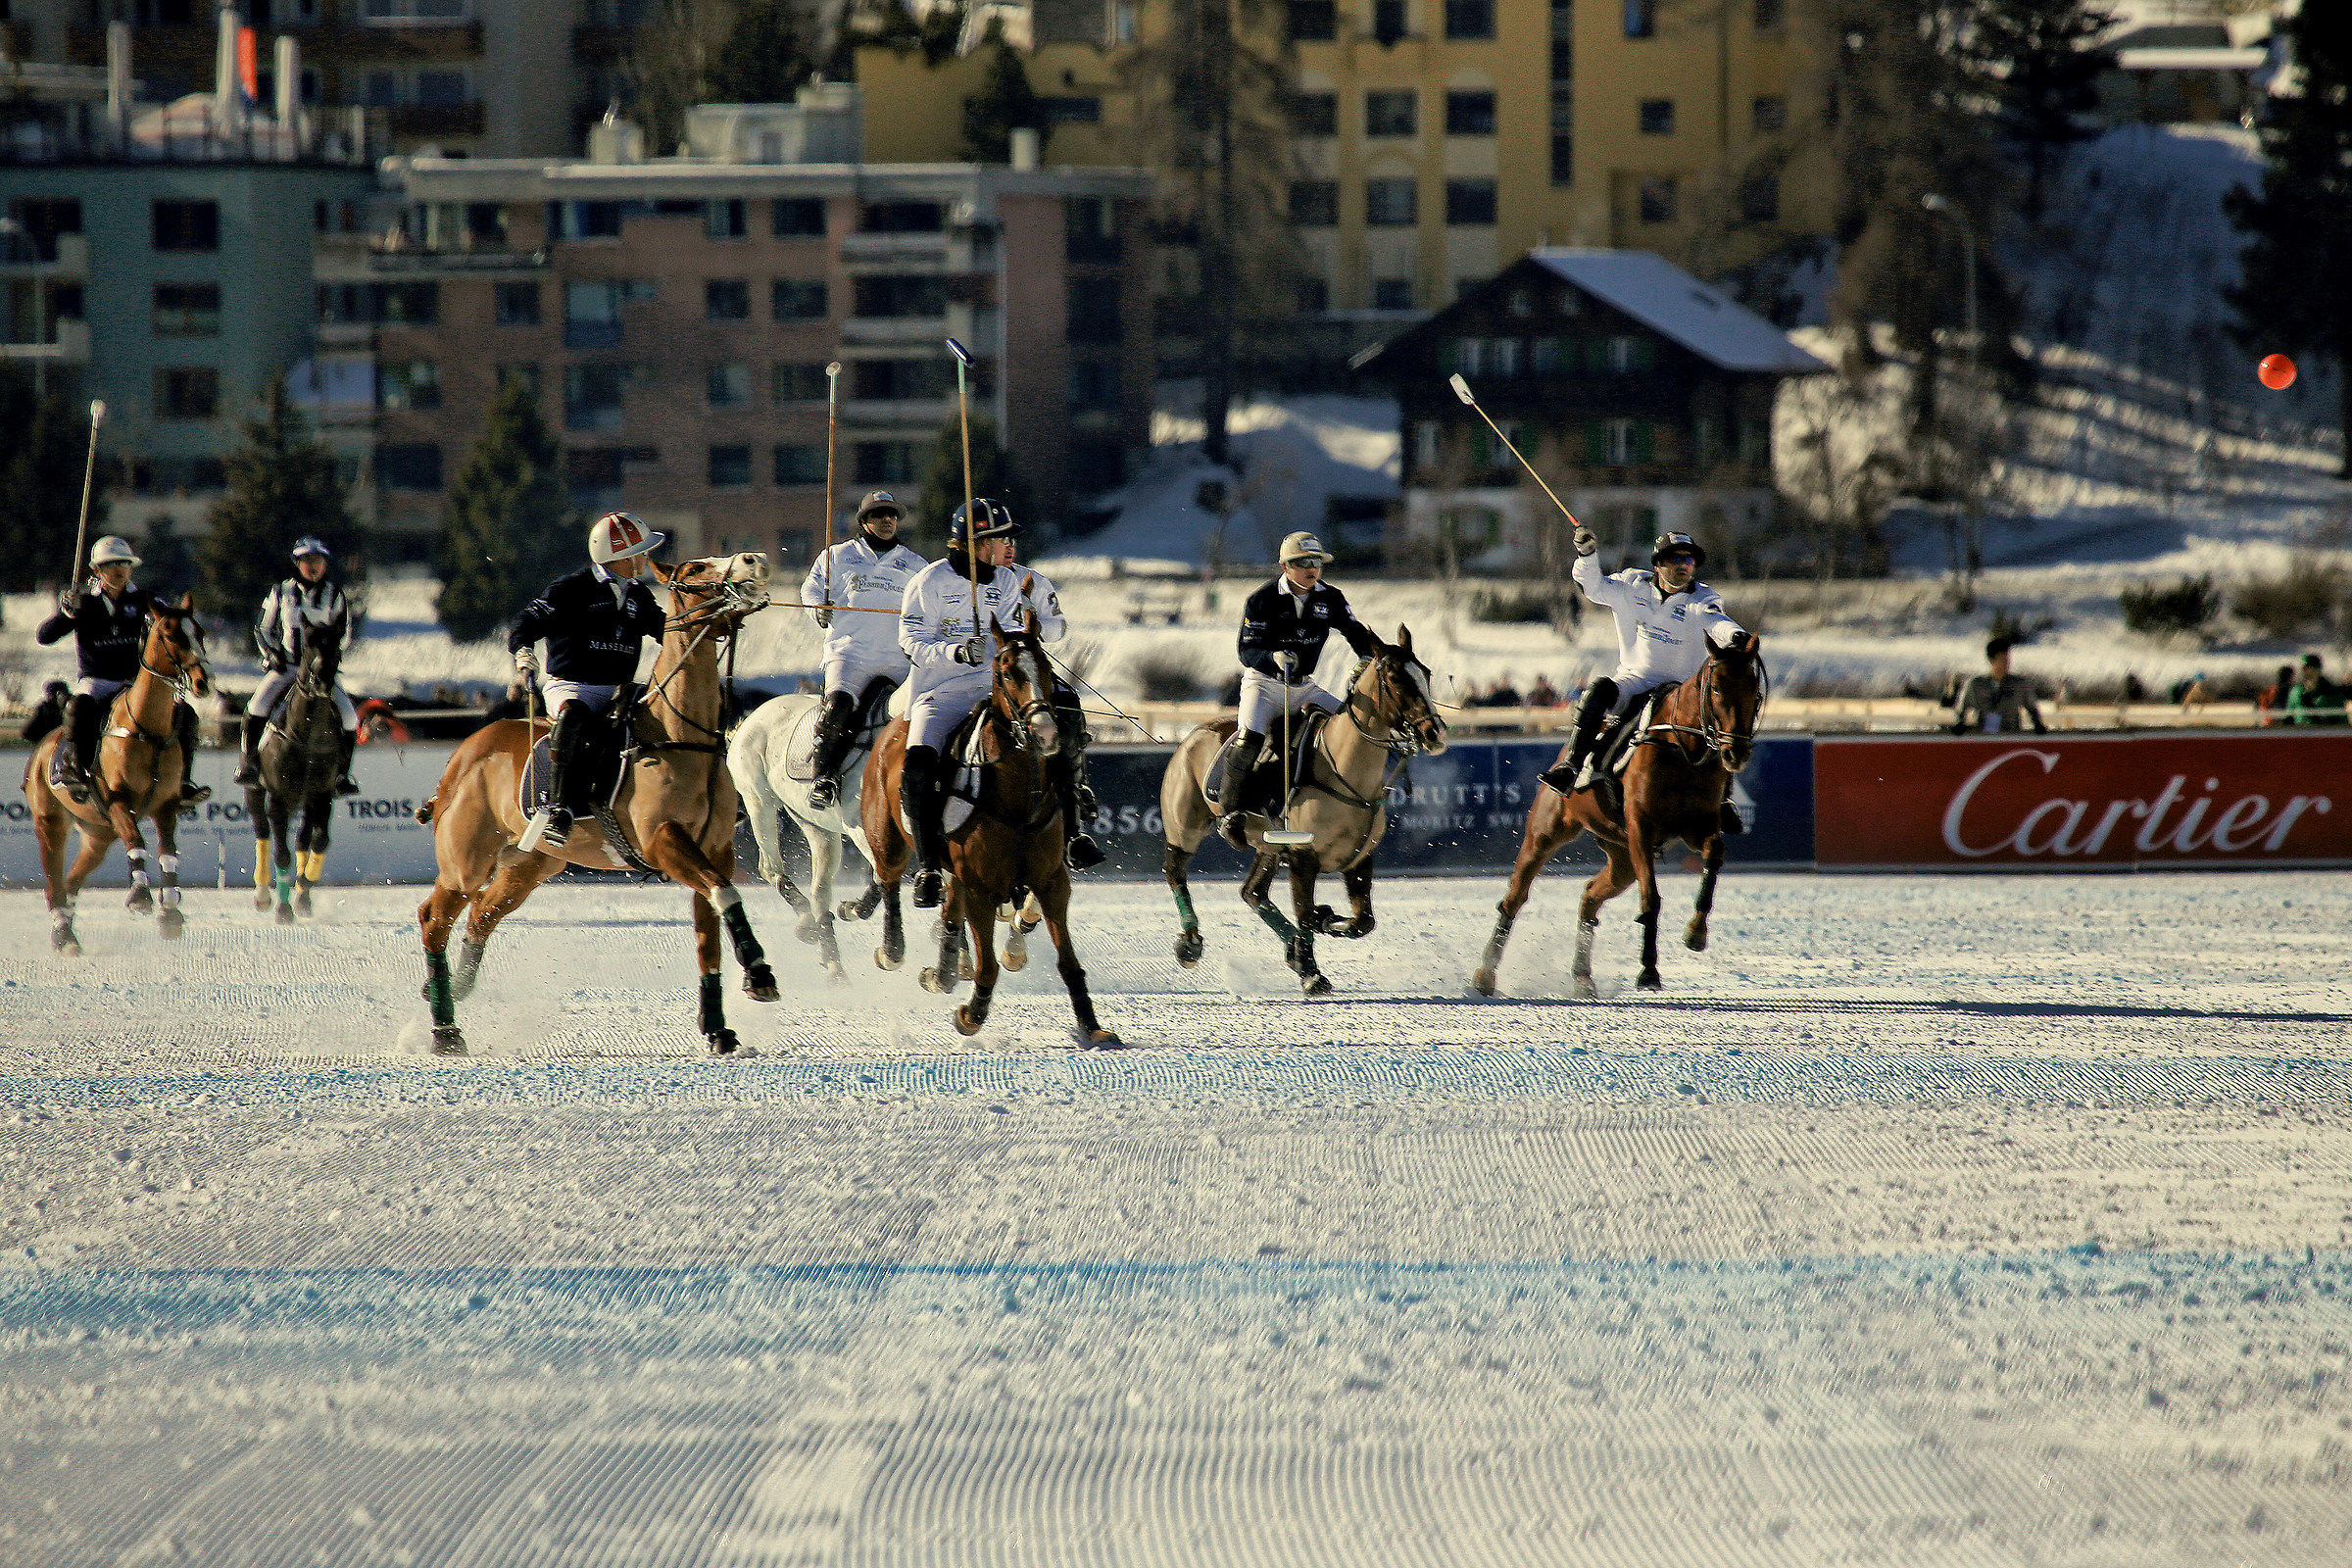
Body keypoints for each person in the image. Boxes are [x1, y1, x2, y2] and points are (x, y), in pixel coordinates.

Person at [896, 498, 1097, 908]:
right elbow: (910, 641)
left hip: (999, 688)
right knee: (918, 766)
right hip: (942, 690)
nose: (1005, 545)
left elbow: (1021, 637)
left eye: (1006, 537)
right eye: (996, 538)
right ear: (970, 543)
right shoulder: (928, 582)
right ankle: (929, 867)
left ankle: (1073, 828)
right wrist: (955, 652)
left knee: (1061, 720)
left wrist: (1026, 628)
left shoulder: (1010, 581)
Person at [1540, 530, 1748, 832]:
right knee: (1597, 691)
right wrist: (1587, 555)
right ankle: (1571, 766)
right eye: (1676, 559)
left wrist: (1736, 636)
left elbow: (1717, 623)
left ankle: (1723, 797)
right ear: (1658, 564)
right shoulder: (1630, 586)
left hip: (1681, 690)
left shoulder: (1703, 599)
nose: (1684, 566)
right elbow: (1593, 586)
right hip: (1634, 680)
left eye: (1689, 560)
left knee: (1720, 720)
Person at [1213, 531, 1387, 848]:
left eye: (1317, 562)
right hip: (1264, 684)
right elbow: (1246, 650)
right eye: (1303, 562)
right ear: (1285, 566)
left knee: (1348, 726)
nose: (1312, 568)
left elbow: (1355, 632)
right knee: (1249, 737)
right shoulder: (1262, 599)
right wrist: (1272, 657)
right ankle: (1229, 812)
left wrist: (1367, 656)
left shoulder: (1330, 598)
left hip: (1304, 687)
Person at [508, 512, 669, 849]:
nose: (645, 558)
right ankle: (558, 806)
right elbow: (526, 623)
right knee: (575, 717)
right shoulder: (571, 589)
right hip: (571, 685)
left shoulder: (639, 595)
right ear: (621, 556)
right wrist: (523, 656)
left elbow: (668, 630)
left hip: (619, 689)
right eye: (641, 551)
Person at [34, 534, 208, 807]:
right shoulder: (84, 602)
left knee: (186, 714)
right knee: (78, 707)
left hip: (135, 681)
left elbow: (175, 625)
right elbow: (44, 637)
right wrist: (66, 613)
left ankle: (183, 781)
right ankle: (77, 769)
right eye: (111, 564)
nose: (119, 570)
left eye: (124, 563)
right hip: (98, 679)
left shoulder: (145, 600)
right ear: (96, 570)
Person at [799, 490, 926, 809]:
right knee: (839, 705)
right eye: (879, 515)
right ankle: (824, 777)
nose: (887, 520)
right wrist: (818, 607)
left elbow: (929, 606)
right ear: (864, 520)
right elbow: (811, 589)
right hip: (849, 654)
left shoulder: (915, 564)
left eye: (892, 515)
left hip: (897, 660)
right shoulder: (838, 556)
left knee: (926, 712)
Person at [236, 536, 361, 795]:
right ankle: (248, 763)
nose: (313, 566)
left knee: (349, 716)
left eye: (318, 561)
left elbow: (345, 633)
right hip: (288, 667)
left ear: (325, 564)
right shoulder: (280, 591)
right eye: (307, 561)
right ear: (297, 563)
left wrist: (328, 655)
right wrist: (272, 655)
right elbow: (262, 627)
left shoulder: (335, 595)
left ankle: (342, 775)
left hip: (321, 670)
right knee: (257, 705)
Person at [1950, 637, 2047, 735]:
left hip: (2011, 738)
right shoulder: (1976, 685)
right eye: (2002, 660)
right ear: (1992, 660)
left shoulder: (2019, 685)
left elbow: (2032, 708)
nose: (2007, 663)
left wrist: (2037, 724)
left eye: (2007, 659)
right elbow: (1960, 710)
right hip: (1984, 738)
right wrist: (1960, 724)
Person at [2287, 658, 2346, 725]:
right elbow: (2289, 715)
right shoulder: (2296, 691)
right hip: (2299, 732)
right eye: (2303, 668)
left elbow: (2338, 719)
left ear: (2318, 669)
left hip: (2324, 733)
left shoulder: (2331, 692)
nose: (2305, 672)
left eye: (2309, 668)